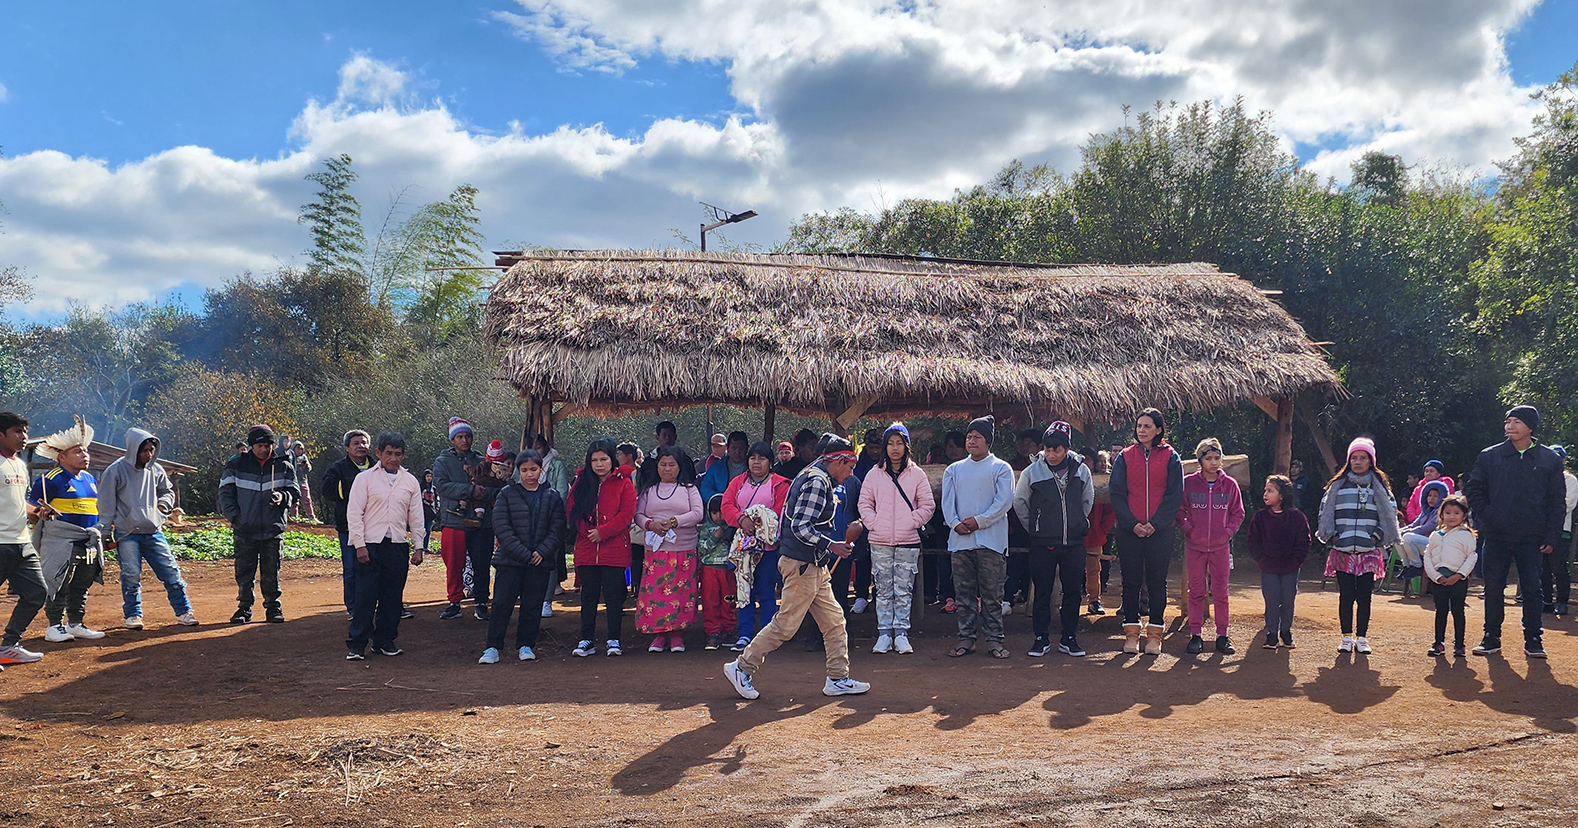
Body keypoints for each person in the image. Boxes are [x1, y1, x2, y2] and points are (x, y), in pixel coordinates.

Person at [723, 434, 871, 700]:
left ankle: (838, 677)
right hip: (803, 564)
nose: (851, 472)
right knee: (786, 625)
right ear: (838, 460)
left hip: (810, 564)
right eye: (850, 465)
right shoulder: (817, 481)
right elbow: (801, 527)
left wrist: (828, 547)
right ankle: (741, 667)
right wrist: (832, 545)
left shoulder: (812, 474)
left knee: (835, 622)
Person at [1466, 405, 1568, 659]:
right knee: (1493, 587)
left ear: (1530, 428)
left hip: (1531, 538)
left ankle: (1534, 639)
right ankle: (1491, 637)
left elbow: (1557, 502)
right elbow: (1474, 489)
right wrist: (1489, 517)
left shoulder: (1550, 461)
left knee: (1533, 589)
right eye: (1508, 421)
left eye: (1517, 422)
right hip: (1496, 535)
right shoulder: (1490, 456)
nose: (1510, 426)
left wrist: (1551, 535)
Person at [98, 427, 196, 630]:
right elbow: (106, 503)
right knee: (131, 575)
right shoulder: (115, 470)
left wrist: (163, 506)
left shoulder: (156, 469)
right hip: (127, 534)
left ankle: (184, 612)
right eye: (145, 450)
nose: (149, 454)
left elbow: (167, 491)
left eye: (152, 450)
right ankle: (133, 615)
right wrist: (105, 532)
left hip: (153, 531)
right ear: (134, 449)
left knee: (171, 572)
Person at [1013, 421, 1094, 658]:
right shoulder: (1031, 472)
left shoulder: (1081, 470)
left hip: (1074, 542)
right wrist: (1036, 527)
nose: (1051, 454)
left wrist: (1077, 521)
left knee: (1072, 591)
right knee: (1042, 591)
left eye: (1057, 449)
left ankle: (1069, 637)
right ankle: (1041, 638)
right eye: (1048, 449)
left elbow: (1087, 501)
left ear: (1067, 449)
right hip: (1042, 543)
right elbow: (1020, 502)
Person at [1109, 408, 1184, 655]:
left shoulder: (1171, 457)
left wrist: (1156, 523)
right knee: (1130, 581)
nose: (1141, 430)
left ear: (1159, 429)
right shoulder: (1125, 457)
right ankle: (1131, 634)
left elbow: (1174, 495)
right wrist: (1133, 524)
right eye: (1139, 426)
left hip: (1160, 531)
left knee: (1156, 582)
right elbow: (1117, 494)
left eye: (1147, 426)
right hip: (1129, 530)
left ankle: (1154, 635)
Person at [345, 432, 425, 660]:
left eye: (397, 454)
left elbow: (416, 517)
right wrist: (359, 545)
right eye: (388, 453)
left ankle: (384, 640)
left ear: (403, 455)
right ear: (378, 453)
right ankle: (357, 643)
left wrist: (418, 546)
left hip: (397, 545)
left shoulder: (409, 482)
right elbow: (355, 513)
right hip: (370, 544)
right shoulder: (365, 479)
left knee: (392, 597)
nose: (393, 458)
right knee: (365, 596)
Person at [1316, 437, 1401, 655]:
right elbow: (1324, 512)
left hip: (1368, 552)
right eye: (1354, 458)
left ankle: (1362, 638)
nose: (1358, 462)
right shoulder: (1337, 486)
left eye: (1363, 458)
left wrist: (1376, 538)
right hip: (1343, 551)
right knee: (1346, 595)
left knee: (1365, 596)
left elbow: (1390, 515)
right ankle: (1345, 637)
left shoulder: (1380, 489)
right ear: (1348, 460)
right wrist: (1334, 537)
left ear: (1371, 461)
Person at [480, 449, 565, 664]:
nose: (529, 474)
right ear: (517, 471)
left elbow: (557, 529)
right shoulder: (507, 494)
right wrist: (524, 553)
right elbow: (501, 526)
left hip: (540, 562)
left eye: (534, 469)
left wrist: (542, 552)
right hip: (510, 561)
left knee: (533, 604)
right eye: (525, 470)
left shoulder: (551, 496)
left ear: (541, 469)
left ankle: (526, 645)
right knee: (501, 604)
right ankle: (492, 647)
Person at [28, 417, 108, 644]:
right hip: (61, 540)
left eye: (86, 451)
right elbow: (33, 506)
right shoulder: (50, 479)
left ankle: (76, 624)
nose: (85, 456)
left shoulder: (90, 478)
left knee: (82, 583)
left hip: (87, 540)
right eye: (78, 452)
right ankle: (54, 626)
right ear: (61, 456)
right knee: (58, 580)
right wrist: (40, 512)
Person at [859, 422, 935, 655]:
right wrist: (874, 523)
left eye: (899, 443)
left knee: (903, 588)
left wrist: (911, 522)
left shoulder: (917, 474)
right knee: (883, 588)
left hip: (907, 540)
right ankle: (883, 634)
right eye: (890, 443)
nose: (894, 448)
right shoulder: (874, 474)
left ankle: (901, 633)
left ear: (906, 446)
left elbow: (927, 505)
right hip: (880, 540)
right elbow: (864, 504)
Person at [943, 416, 1014, 658]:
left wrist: (979, 521)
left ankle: (994, 639)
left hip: (991, 542)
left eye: (977, 437)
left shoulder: (1001, 468)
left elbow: (1004, 502)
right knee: (963, 595)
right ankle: (966, 638)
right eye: (969, 436)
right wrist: (954, 523)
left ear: (988, 441)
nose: (972, 441)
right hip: (960, 541)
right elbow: (947, 503)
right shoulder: (953, 470)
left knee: (992, 594)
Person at [219, 424, 299, 624]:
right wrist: (236, 518)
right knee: (244, 572)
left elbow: (295, 492)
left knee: (271, 570)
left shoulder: (284, 465)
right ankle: (244, 608)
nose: (264, 449)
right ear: (251, 446)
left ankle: (273, 607)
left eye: (268, 445)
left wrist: (283, 497)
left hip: (273, 529)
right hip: (245, 529)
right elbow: (225, 494)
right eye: (260, 445)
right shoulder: (236, 465)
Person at [566, 439, 637, 657]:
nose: (599, 464)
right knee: (589, 596)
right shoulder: (581, 483)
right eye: (594, 460)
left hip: (614, 549)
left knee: (614, 596)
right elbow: (571, 510)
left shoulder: (624, 483)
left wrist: (603, 532)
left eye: (603, 459)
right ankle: (587, 639)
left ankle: (613, 639)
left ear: (611, 460)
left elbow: (626, 514)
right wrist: (588, 532)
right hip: (587, 549)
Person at [1176, 438, 1245, 655]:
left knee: (1220, 592)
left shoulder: (1230, 485)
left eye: (1217, 458)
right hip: (1194, 547)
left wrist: (1226, 533)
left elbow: (1238, 513)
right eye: (1208, 458)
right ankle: (1195, 634)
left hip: (1220, 548)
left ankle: (1222, 635)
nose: (1214, 462)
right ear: (1200, 460)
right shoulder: (1189, 483)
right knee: (1196, 591)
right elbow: (1179, 511)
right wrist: (1189, 530)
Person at [721, 441, 790, 650]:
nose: (756, 462)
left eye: (762, 458)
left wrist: (757, 526)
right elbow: (726, 505)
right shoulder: (738, 482)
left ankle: (768, 635)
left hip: (768, 549)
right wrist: (741, 520)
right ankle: (744, 634)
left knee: (766, 590)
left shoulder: (781, 484)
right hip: (744, 548)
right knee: (744, 591)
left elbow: (780, 512)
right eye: (753, 458)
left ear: (770, 461)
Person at [635, 446, 704, 652]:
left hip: (683, 550)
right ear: (657, 467)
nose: (667, 469)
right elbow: (638, 515)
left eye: (671, 465)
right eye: (663, 465)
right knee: (656, 593)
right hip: (656, 552)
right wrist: (650, 524)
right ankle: (659, 636)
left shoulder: (689, 489)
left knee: (681, 594)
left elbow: (698, 513)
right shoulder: (649, 491)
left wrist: (675, 521)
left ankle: (677, 636)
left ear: (679, 467)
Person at [431, 418, 499, 621]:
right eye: (460, 436)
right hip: (454, 520)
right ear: (452, 439)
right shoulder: (442, 461)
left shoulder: (482, 460)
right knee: (454, 563)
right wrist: (471, 490)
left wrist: (482, 494)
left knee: (482, 562)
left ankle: (481, 602)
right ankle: (454, 601)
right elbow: (442, 486)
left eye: (468, 436)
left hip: (482, 522)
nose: (465, 440)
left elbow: (496, 487)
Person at [0, 413, 46, 667]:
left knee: (36, 593)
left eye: (25, 432)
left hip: (21, 543)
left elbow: (21, 506)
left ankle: (9, 646)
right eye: (17, 431)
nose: (24, 437)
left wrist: (39, 512)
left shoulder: (18, 464)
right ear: (1, 435)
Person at [1247, 475, 1312, 650]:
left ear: (1282, 495)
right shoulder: (1260, 518)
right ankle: (1272, 633)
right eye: (1265, 490)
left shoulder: (1297, 518)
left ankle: (1286, 631)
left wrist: (1296, 561)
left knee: (1288, 599)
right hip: (1268, 568)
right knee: (1271, 599)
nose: (1265, 494)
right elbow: (1253, 541)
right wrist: (1261, 559)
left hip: (1290, 568)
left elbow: (1304, 542)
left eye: (1270, 490)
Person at [321, 430, 373, 618]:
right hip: (348, 527)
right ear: (347, 448)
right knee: (352, 568)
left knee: (378, 568)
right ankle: (353, 608)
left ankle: (384, 605)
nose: (360, 446)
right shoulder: (338, 468)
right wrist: (352, 494)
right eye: (356, 443)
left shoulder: (378, 466)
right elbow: (327, 490)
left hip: (376, 527)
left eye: (364, 442)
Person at [1425, 494, 1478, 658]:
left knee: (1458, 611)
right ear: (1441, 515)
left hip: (1458, 581)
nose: (1452, 516)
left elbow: (1472, 556)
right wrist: (1436, 577)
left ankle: (1460, 645)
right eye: (1448, 512)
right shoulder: (1435, 535)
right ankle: (1438, 643)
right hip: (1439, 580)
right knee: (1440, 611)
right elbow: (1428, 556)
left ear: (1463, 516)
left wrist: (1459, 575)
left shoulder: (1466, 535)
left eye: (1456, 513)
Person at [1542, 445, 1578, 616]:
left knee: (1559, 567)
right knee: (1542, 568)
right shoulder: (1540, 477)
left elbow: (1568, 503)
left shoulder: (1570, 480)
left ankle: (1562, 601)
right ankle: (1546, 601)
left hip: (1561, 529)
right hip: (1539, 529)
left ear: (1563, 460)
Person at [697, 494, 735, 650]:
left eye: (721, 512)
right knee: (710, 601)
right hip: (709, 570)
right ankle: (712, 633)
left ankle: (728, 630)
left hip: (729, 570)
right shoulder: (705, 528)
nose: (719, 516)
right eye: (714, 513)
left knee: (729, 601)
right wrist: (715, 537)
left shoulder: (733, 527)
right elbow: (701, 549)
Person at [1398, 480, 1450, 589]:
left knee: (1407, 537)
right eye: (1429, 495)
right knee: (1397, 537)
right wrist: (1401, 530)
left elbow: (1428, 527)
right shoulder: (1425, 511)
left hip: (1435, 546)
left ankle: (1417, 566)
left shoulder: (1440, 512)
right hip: (1422, 542)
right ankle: (1407, 566)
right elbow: (1414, 524)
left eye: (1435, 496)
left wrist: (1407, 532)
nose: (1431, 498)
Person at [1083, 451, 1118, 615]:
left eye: (1088, 460)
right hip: (1071, 535)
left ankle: (1094, 601)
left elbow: (1111, 512)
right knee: (1068, 569)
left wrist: (1101, 530)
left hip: (1094, 535)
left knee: (1094, 569)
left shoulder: (1103, 483)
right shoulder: (1069, 477)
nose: (1085, 463)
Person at [699, 431, 749, 507]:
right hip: (720, 510)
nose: (737, 452)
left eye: (741, 448)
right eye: (734, 448)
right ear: (727, 448)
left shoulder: (753, 468)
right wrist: (719, 500)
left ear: (747, 448)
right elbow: (705, 488)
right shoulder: (716, 468)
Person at [637, 420, 678, 492]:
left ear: (675, 437)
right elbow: (642, 484)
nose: (667, 438)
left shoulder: (684, 460)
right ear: (657, 437)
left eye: (670, 435)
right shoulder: (648, 462)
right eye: (664, 435)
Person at [289, 441, 316, 522]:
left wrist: (307, 466)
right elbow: (290, 468)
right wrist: (297, 465)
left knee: (307, 500)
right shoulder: (291, 457)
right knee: (294, 501)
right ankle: (294, 517)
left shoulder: (304, 457)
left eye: (301, 449)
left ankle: (311, 517)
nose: (299, 451)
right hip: (294, 482)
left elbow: (309, 469)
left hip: (303, 482)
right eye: (298, 449)